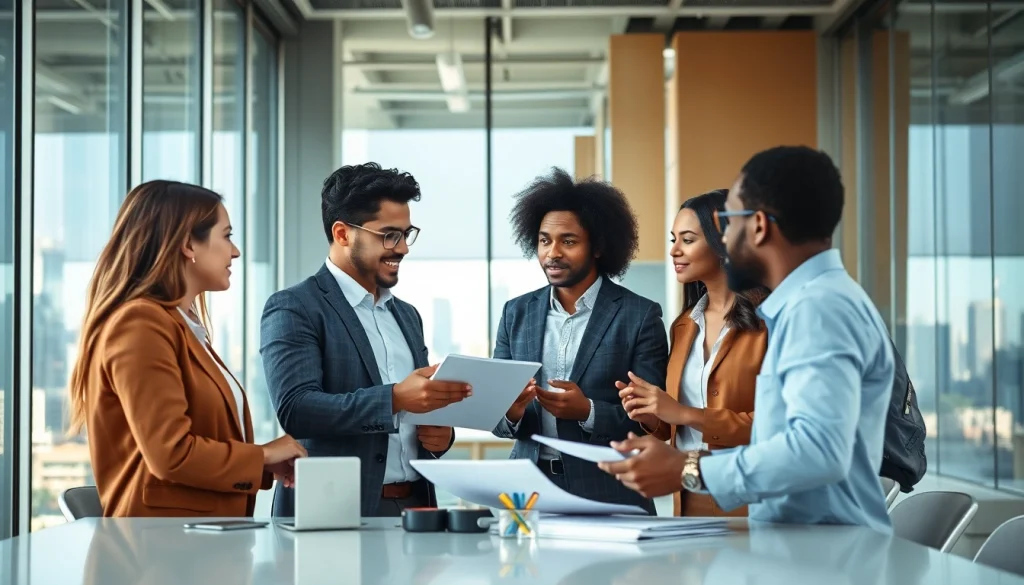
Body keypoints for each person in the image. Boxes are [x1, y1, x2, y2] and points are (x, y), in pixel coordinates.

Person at [600, 146, 895, 534]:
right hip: (801, 548)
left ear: (758, 225)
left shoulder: (817, 308)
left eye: (730, 221)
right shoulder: (807, 304)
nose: (727, 236)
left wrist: (690, 468)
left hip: (824, 557)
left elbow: (819, 451)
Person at [67, 180, 307, 518]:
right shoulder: (140, 324)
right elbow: (171, 453)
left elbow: (195, 442)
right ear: (187, 244)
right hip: (161, 554)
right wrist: (261, 455)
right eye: (226, 236)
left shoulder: (183, 328)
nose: (235, 251)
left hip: (201, 545)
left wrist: (263, 466)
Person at [260, 163, 470, 518]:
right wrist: (393, 398)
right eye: (389, 235)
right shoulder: (295, 307)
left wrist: (440, 435)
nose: (402, 248)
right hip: (333, 511)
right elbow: (297, 408)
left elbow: (414, 410)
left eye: (406, 234)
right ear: (342, 234)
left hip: (414, 508)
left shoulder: (407, 315)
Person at [492, 168, 668, 514]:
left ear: (599, 246)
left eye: (568, 241)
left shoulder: (639, 316)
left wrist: (587, 411)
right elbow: (499, 419)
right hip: (529, 493)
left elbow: (654, 420)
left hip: (610, 489)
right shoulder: (516, 313)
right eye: (544, 240)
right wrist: (511, 411)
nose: (552, 253)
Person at [617, 189, 768, 517]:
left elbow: (774, 427)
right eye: (674, 239)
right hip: (687, 501)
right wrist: (651, 417)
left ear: (724, 243)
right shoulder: (684, 325)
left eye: (687, 239)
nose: (674, 250)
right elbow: (675, 427)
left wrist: (685, 414)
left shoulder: (769, 323)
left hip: (749, 503)